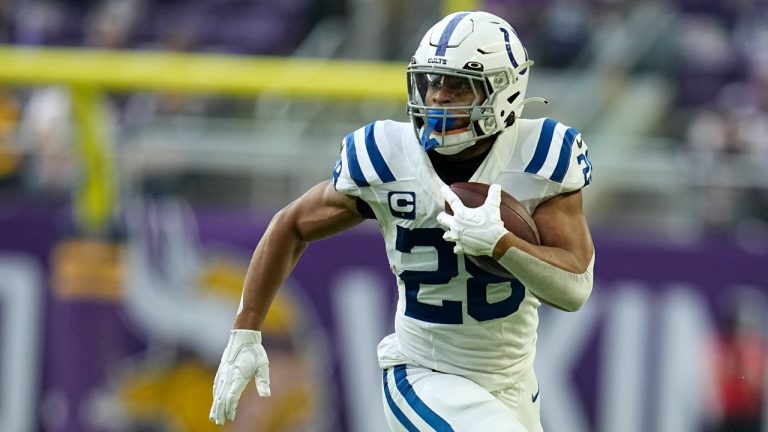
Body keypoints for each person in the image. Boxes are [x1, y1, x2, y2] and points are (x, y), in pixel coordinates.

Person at [209, 10, 595, 432]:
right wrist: (245, 331)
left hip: (513, 382)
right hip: (423, 372)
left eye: (458, 85)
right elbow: (291, 225)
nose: (437, 97)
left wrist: (502, 244)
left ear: (503, 92)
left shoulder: (539, 155)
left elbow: (575, 288)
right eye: (431, 81)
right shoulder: (388, 155)